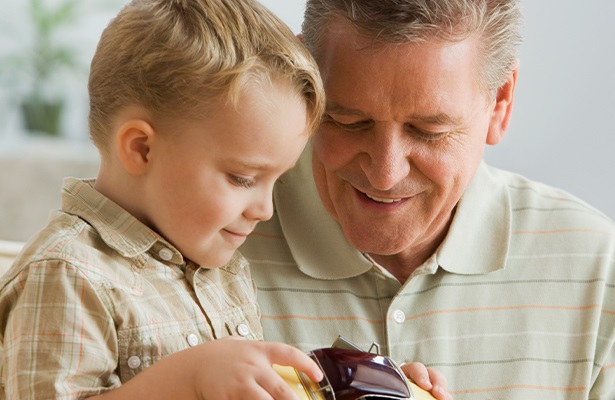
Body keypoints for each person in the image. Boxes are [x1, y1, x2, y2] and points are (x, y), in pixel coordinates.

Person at [240, 0, 615, 399]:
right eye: (350, 122)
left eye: (428, 131)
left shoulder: (597, 271)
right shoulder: (210, 237)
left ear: (500, 102)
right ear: (303, 85)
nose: (385, 174)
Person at [0, 0, 327, 398]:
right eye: (242, 178)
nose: (265, 209)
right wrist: (189, 380)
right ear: (141, 149)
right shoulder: (68, 274)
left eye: (277, 181)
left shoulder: (220, 271)